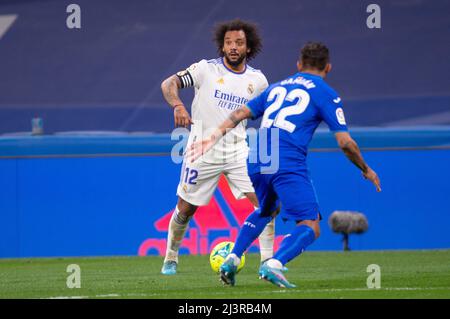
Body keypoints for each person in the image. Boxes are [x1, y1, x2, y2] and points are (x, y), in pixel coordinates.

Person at [189, 42, 382, 288]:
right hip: (287, 159)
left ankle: (232, 259)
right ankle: (274, 264)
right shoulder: (325, 93)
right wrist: (365, 169)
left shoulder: (277, 87)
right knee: (311, 225)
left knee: (266, 210)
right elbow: (345, 142)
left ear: (299, 65)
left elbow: (239, 114)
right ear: (328, 67)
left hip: (258, 155)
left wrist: (212, 137)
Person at [159, 19, 276, 275]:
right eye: (229, 43)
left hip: (238, 151)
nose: (233, 47)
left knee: (265, 203)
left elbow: (269, 115)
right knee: (186, 208)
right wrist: (178, 105)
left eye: (239, 43)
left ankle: (267, 262)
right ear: (222, 47)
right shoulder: (205, 69)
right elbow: (168, 84)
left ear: (248, 48)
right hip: (202, 150)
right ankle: (171, 257)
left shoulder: (258, 81)